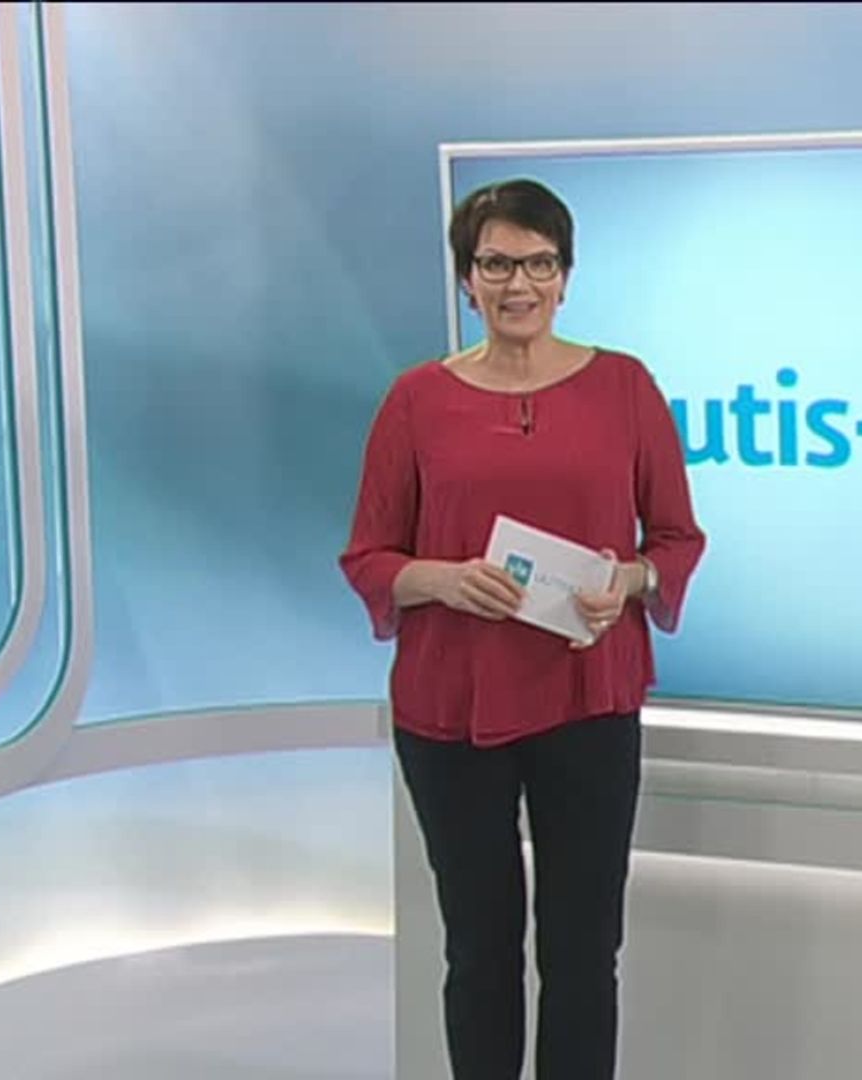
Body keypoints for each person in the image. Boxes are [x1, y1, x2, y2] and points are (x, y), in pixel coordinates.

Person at [339, 178, 705, 1080]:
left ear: (566, 276)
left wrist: (628, 579)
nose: (519, 284)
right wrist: (442, 579)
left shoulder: (625, 387)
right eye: (497, 264)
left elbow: (675, 540)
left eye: (539, 263)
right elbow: (370, 556)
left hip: (589, 701)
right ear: (468, 279)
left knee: (583, 952)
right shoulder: (415, 400)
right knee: (479, 948)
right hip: (450, 712)